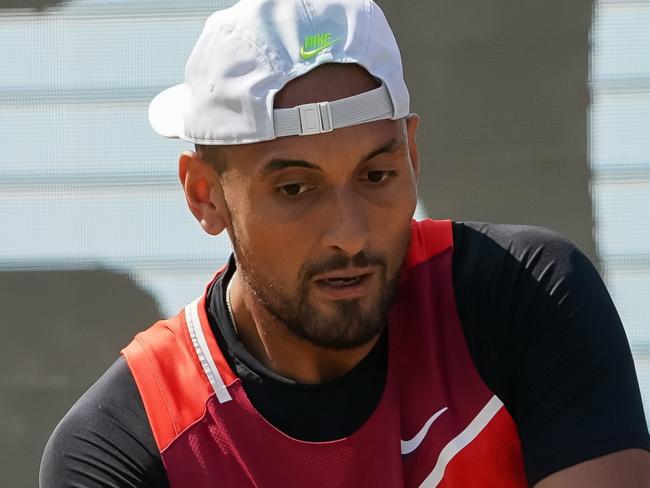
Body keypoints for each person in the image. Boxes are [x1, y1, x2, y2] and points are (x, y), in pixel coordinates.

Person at [40, 0, 650, 486]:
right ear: (206, 196)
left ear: (412, 156)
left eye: (376, 176)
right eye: (297, 189)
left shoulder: (527, 295)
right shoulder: (126, 446)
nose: (350, 233)